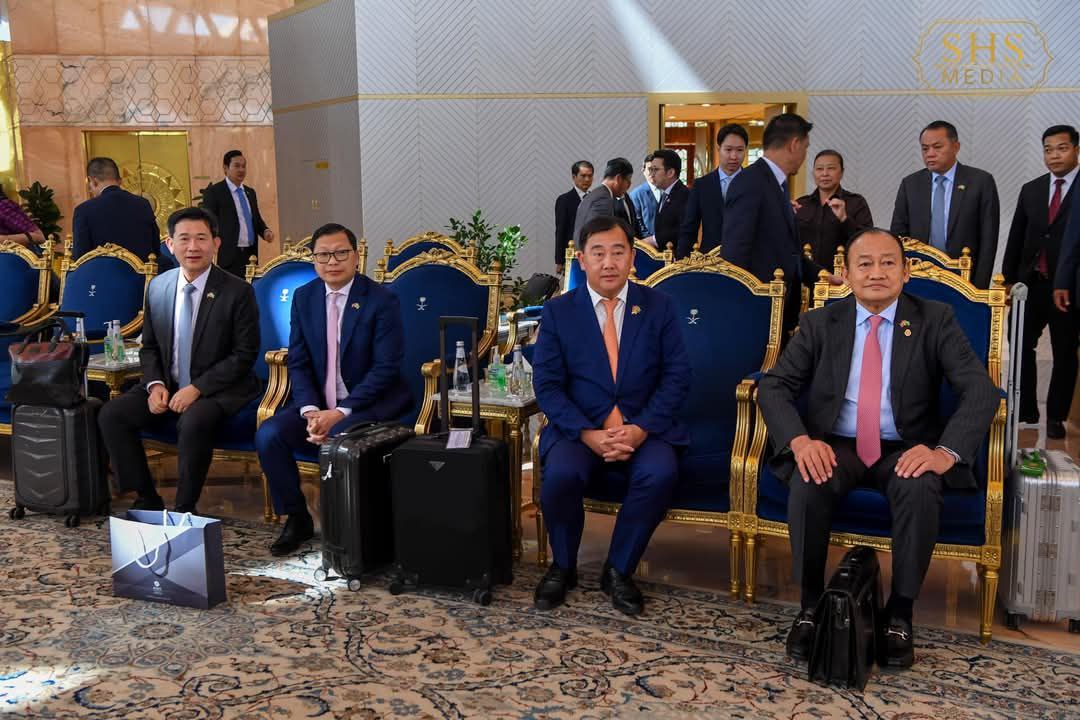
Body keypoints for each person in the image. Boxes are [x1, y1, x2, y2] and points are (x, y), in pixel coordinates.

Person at [757, 228, 998, 669]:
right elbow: (774, 386)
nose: (876, 273)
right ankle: (810, 607)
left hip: (905, 446)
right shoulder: (820, 323)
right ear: (846, 274)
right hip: (837, 444)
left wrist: (944, 452)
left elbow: (981, 391)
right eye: (864, 264)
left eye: (888, 262)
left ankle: (900, 615)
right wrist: (800, 441)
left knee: (921, 487)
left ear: (906, 272)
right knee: (808, 481)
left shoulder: (935, 318)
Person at [531, 215, 690, 617]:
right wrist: (587, 433)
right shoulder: (558, 312)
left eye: (618, 252)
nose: (608, 263)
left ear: (632, 258)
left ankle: (619, 569)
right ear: (581, 260)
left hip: (645, 427)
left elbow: (676, 376)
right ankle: (563, 565)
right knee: (561, 475)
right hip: (579, 428)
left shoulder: (658, 306)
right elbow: (547, 386)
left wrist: (640, 429)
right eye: (598, 253)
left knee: (659, 473)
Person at [255, 223, 411, 556]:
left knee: (339, 439)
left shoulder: (381, 300)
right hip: (318, 404)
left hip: (366, 403)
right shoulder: (305, 297)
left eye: (341, 253)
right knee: (269, 435)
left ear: (356, 256)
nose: (332, 262)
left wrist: (339, 412)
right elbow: (298, 361)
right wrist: (311, 410)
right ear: (313, 260)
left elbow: (385, 368)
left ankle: (351, 531)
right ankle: (297, 518)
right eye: (323, 255)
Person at [98, 206, 261, 514]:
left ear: (216, 243)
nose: (193, 247)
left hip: (219, 388)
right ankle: (146, 497)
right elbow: (149, 347)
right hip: (169, 382)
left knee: (194, 421)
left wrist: (197, 388)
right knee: (112, 414)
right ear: (170, 244)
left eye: (201, 238)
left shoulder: (237, 291)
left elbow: (244, 355)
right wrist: (155, 384)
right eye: (184, 239)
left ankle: (185, 508)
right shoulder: (159, 286)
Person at [1003, 125, 1080, 439]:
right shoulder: (1032, 189)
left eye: (1061, 148)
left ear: (1076, 150)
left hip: (1068, 286)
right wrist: (1009, 280)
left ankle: (1057, 416)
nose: (1054, 155)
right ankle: (1026, 410)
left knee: (1065, 351)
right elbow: (1016, 236)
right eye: (1048, 149)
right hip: (1031, 283)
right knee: (1020, 343)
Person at [722, 113, 822, 335]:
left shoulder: (777, 184)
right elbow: (735, 253)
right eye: (805, 148)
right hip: (758, 312)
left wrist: (821, 276)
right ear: (794, 144)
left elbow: (788, 250)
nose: (805, 155)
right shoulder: (750, 182)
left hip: (780, 309)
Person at [889, 121, 1000, 288]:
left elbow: (988, 240)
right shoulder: (911, 184)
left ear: (956, 147)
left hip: (964, 279)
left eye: (937, 147)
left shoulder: (980, 182)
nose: (930, 154)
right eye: (925, 149)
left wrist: (978, 288)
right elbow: (898, 236)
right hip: (917, 278)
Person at [200, 150, 274, 278]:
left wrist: (265, 231)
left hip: (250, 254)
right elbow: (208, 222)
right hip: (228, 255)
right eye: (237, 166)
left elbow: (256, 218)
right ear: (225, 168)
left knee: (249, 287)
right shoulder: (215, 192)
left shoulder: (250, 192)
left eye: (243, 166)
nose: (241, 170)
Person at [677, 123, 747, 258]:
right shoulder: (702, 185)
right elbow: (689, 228)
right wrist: (682, 261)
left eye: (739, 150)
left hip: (746, 261)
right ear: (718, 149)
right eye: (728, 150)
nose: (734, 156)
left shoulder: (754, 183)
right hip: (710, 259)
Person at [795, 149, 873, 268]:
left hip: (843, 275)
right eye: (819, 169)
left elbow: (868, 242)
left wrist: (845, 219)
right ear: (813, 173)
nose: (824, 173)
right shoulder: (801, 204)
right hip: (805, 275)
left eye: (831, 168)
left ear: (842, 172)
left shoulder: (856, 202)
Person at [71, 157, 158, 261]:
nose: (90, 191)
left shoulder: (83, 210)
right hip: (143, 271)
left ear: (93, 181)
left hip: (102, 271)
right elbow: (156, 248)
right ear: (119, 180)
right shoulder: (143, 204)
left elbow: (80, 258)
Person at [572, 158, 641, 246]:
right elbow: (599, 236)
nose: (630, 184)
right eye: (628, 179)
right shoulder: (603, 199)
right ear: (618, 178)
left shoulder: (597, 194)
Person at [555, 161, 593, 274]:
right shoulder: (564, 200)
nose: (587, 179)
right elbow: (560, 231)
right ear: (574, 177)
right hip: (573, 253)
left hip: (593, 253)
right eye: (583, 176)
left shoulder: (595, 199)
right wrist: (559, 261)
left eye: (590, 176)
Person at [648, 149, 689, 253]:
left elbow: (683, 229)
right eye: (650, 169)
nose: (651, 174)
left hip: (679, 257)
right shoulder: (665, 193)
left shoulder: (684, 194)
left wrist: (654, 240)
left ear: (670, 172)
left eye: (655, 169)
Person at [628, 153, 658, 238]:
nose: (653, 173)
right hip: (646, 242)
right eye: (650, 169)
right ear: (643, 170)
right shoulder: (636, 194)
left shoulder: (668, 191)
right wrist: (652, 240)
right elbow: (637, 223)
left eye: (656, 169)